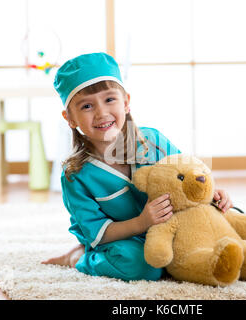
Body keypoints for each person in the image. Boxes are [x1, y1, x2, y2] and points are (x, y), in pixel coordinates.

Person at [42, 52, 233, 281]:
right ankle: (79, 258)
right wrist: (142, 222)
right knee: (144, 267)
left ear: (126, 102)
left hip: (174, 228)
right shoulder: (76, 175)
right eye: (86, 106)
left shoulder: (153, 141)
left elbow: (190, 174)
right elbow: (99, 233)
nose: (102, 113)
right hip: (123, 239)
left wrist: (213, 193)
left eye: (109, 100)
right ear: (70, 118)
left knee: (227, 226)